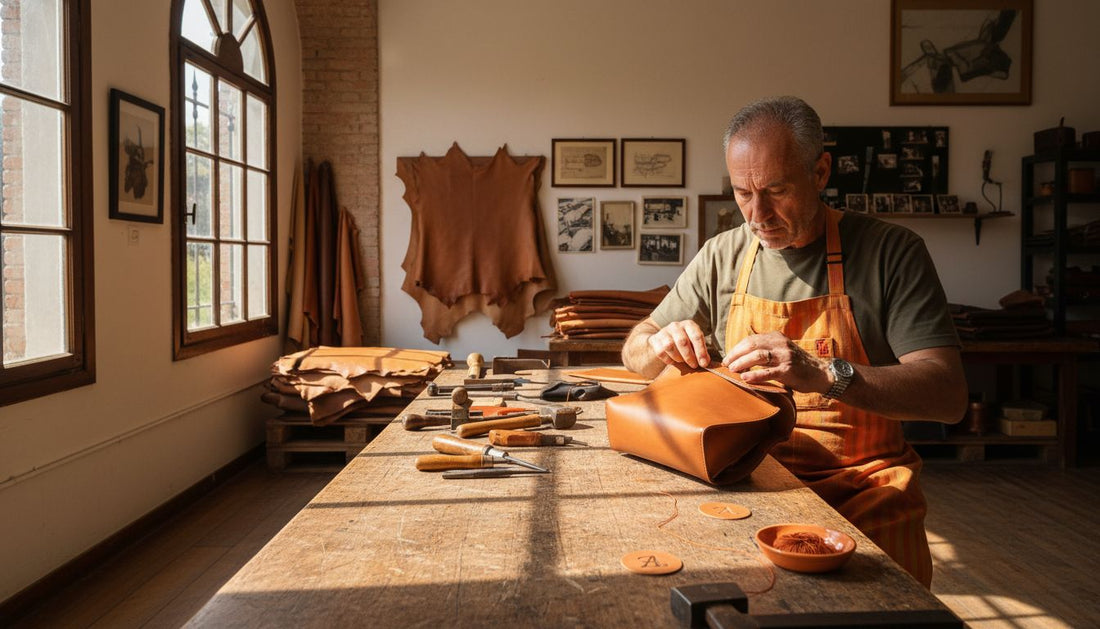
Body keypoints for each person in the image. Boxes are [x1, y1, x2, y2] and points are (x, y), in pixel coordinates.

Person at [621, 96, 967, 587]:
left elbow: (949, 396)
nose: (757, 213)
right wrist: (656, 345)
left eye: (776, 189)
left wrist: (825, 375)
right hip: (749, 485)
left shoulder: (892, 252)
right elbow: (634, 347)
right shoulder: (723, 254)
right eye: (742, 192)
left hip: (865, 493)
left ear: (821, 171)